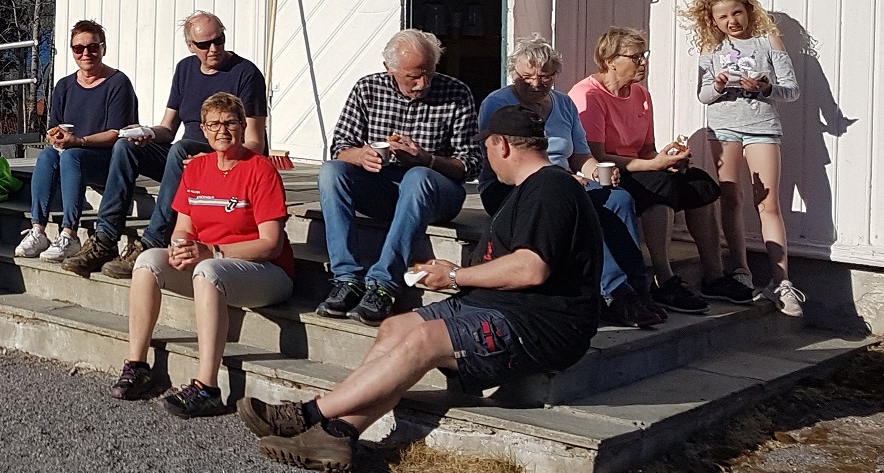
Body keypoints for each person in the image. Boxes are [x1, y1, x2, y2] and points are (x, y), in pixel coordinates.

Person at [242, 105, 602, 473]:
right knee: (394, 328)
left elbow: (531, 268)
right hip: (497, 306)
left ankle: (307, 414)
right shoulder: (529, 190)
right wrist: (447, 272)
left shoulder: (551, 190)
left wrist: (455, 277)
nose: (488, 157)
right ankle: (339, 434)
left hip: (540, 325)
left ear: (502, 145)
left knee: (424, 340)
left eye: (488, 148)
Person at [109, 94, 293, 416]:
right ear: (204, 131)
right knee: (147, 261)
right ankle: (137, 365)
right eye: (214, 124)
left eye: (230, 122)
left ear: (242, 126)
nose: (222, 130)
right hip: (212, 263)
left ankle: (207, 387)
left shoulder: (260, 170)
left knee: (208, 270)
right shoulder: (197, 169)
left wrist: (214, 251)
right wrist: (180, 247)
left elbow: (271, 244)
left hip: (267, 271)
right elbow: (184, 227)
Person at [63, 10, 266, 279]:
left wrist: (210, 162)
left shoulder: (246, 73)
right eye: (204, 45)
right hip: (182, 161)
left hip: (221, 160)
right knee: (125, 147)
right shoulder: (185, 69)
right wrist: (143, 132)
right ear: (191, 46)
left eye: (219, 40)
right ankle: (105, 239)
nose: (213, 49)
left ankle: (152, 242)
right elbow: (168, 129)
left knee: (182, 149)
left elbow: (254, 142)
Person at [478, 36, 663, 329]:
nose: (535, 83)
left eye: (544, 76)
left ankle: (637, 289)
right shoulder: (498, 103)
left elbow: (580, 155)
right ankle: (615, 294)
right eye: (526, 76)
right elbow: (502, 159)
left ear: (555, 75)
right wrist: (564, 180)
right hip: (512, 185)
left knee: (619, 199)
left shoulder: (563, 104)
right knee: (579, 207)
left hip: (566, 180)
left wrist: (597, 171)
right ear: (514, 73)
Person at [568, 27, 744, 313]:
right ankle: (664, 280)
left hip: (641, 166)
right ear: (611, 60)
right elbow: (595, 155)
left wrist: (669, 157)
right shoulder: (588, 94)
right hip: (606, 173)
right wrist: (653, 165)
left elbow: (646, 147)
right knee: (659, 188)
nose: (643, 62)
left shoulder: (640, 94)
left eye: (644, 56)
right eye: (635, 57)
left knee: (699, 183)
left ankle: (714, 275)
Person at [314, 29, 480, 326]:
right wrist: (361, 156)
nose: (422, 83)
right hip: (383, 187)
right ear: (389, 68)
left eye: (428, 73)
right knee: (331, 172)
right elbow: (339, 147)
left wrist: (426, 159)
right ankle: (346, 278)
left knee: (417, 176)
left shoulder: (456, 93)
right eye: (413, 76)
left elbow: (470, 165)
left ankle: (383, 283)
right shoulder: (368, 89)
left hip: (436, 192)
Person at [682, 0, 804, 317]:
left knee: (767, 202)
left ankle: (782, 281)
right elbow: (703, 95)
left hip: (762, 126)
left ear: (749, 10)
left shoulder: (769, 42)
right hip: (723, 127)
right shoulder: (711, 48)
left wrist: (766, 86)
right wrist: (719, 85)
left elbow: (790, 90)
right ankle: (740, 270)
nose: (732, 21)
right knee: (730, 197)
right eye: (723, 16)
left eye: (736, 12)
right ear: (713, 20)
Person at [17, 19, 137, 262]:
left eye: (93, 47)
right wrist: (56, 137)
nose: (86, 54)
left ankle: (69, 233)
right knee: (47, 155)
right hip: (71, 156)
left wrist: (79, 141)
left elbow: (118, 133)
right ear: (72, 51)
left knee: (72, 155)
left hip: (108, 160)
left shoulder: (117, 83)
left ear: (103, 48)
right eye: (78, 48)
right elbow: (55, 126)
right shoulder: (64, 86)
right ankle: (38, 228)